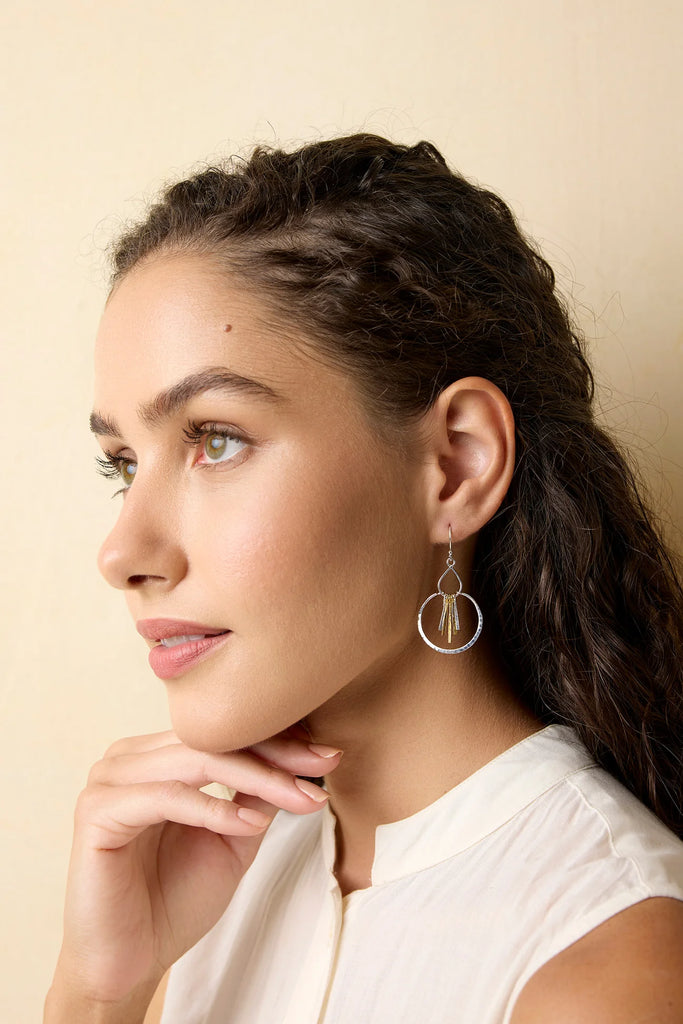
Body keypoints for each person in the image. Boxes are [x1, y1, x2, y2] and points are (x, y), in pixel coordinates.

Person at [44, 133, 683, 1024]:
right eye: (122, 461)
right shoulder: (210, 882)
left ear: (455, 467)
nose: (122, 553)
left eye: (214, 438)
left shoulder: (605, 966)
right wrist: (98, 989)